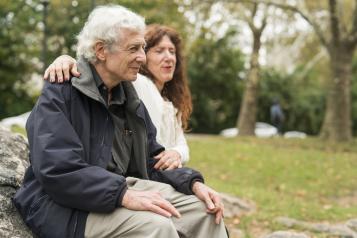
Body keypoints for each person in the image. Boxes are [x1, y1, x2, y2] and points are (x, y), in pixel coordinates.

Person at [13, 5, 227, 238]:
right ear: (101, 50)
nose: (142, 58)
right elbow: (58, 169)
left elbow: (153, 161)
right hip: (62, 206)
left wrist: (193, 183)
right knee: (157, 225)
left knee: (205, 211)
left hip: (117, 189)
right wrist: (123, 195)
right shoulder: (61, 92)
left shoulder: (130, 99)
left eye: (143, 48)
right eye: (134, 49)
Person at [45, 24, 192, 171]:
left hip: (158, 169)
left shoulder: (169, 101)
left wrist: (177, 153)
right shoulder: (135, 83)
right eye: (159, 51)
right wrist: (65, 59)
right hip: (147, 171)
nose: (168, 57)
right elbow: (102, 67)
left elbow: (182, 145)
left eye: (172, 51)